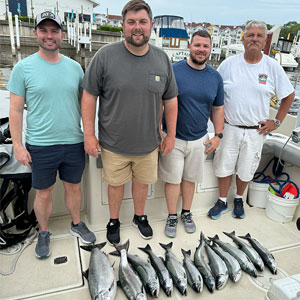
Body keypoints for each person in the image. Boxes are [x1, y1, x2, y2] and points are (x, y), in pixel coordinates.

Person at [81, 0, 178, 245]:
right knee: (115, 185)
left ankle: (139, 216)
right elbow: (89, 95)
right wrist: (89, 135)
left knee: (142, 184)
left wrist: (171, 135)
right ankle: (113, 220)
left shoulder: (162, 59)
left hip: (149, 144)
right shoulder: (104, 56)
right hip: (113, 142)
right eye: (132, 22)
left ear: (151, 25)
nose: (137, 27)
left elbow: (171, 100)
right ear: (123, 25)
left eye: (142, 22)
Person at [7, 11, 96, 259]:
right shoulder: (22, 69)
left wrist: (90, 134)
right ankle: (44, 231)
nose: (49, 35)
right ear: (35, 33)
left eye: (54, 30)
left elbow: (86, 105)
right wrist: (17, 144)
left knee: (74, 187)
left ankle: (77, 223)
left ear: (62, 35)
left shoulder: (76, 68)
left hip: (73, 142)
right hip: (40, 144)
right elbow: (15, 110)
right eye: (44, 30)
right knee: (44, 192)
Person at [208, 20, 295, 220]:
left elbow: (288, 96)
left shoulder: (272, 66)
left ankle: (239, 198)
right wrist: (215, 122)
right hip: (229, 127)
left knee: (247, 169)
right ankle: (222, 200)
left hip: (257, 131)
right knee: (224, 166)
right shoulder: (228, 64)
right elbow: (214, 94)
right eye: (251, 35)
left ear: (265, 41)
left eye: (259, 36)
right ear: (243, 38)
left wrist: (277, 122)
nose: (254, 39)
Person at [158, 30, 224, 237]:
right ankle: (171, 216)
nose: (201, 50)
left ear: (210, 49)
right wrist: (158, 131)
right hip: (172, 138)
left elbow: (218, 108)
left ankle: (186, 213)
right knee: (172, 180)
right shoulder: (173, 70)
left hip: (199, 138)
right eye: (197, 45)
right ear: (189, 46)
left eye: (205, 46)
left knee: (190, 179)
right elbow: (159, 103)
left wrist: (218, 135)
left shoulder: (215, 77)